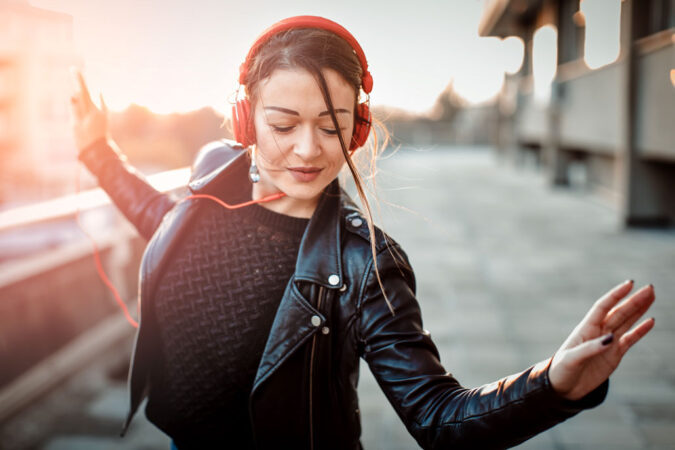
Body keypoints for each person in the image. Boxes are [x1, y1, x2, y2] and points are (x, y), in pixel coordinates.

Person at [69, 15, 656, 450]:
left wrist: (551, 384)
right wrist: (97, 151)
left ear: (356, 131)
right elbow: (165, 223)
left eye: (331, 126)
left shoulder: (363, 264)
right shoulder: (211, 177)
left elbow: (436, 413)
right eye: (283, 124)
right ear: (246, 118)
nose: (307, 149)